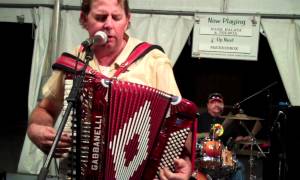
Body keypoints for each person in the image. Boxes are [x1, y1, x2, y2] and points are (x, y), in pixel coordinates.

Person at [26, 0, 192, 179]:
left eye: (117, 17)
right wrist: (36, 130)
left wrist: (187, 162)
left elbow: (179, 121)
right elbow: (45, 109)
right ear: (84, 19)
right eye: (100, 17)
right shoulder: (74, 61)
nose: (109, 25)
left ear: (128, 20)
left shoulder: (154, 61)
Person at [197, 92, 247, 180]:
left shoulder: (230, 121)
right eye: (213, 102)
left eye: (219, 102)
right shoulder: (200, 118)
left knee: (239, 166)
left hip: (223, 156)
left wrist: (245, 139)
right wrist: (209, 135)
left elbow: (235, 138)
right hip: (203, 155)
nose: (216, 104)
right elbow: (193, 136)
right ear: (208, 105)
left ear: (223, 105)